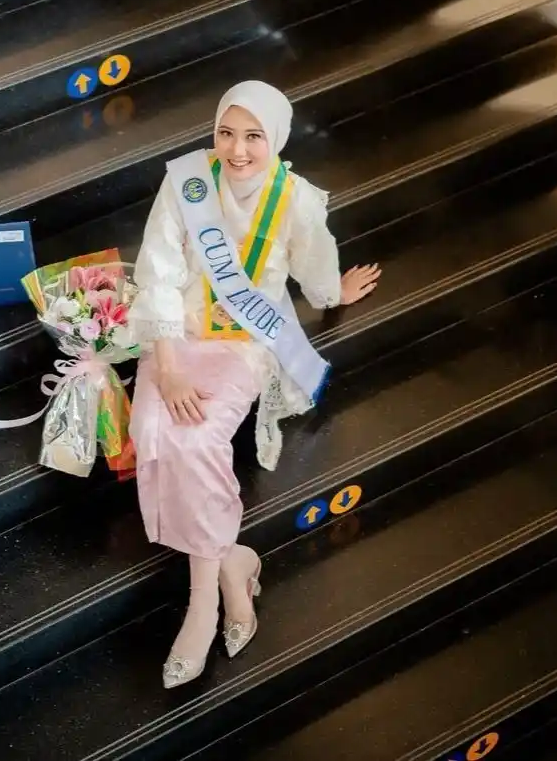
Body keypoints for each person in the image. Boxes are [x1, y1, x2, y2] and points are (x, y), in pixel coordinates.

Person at [129, 80, 381, 689]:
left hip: (244, 343)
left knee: (195, 442)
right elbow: (157, 268)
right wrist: (166, 364)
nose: (236, 150)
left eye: (253, 137)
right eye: (225, 133)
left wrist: (330, 296)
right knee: (152, 427)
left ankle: (201, 606)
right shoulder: (188, 181)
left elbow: (316, 263)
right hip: (177, 338)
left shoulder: (295, 199)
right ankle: (230, 565)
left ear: (277, 140)